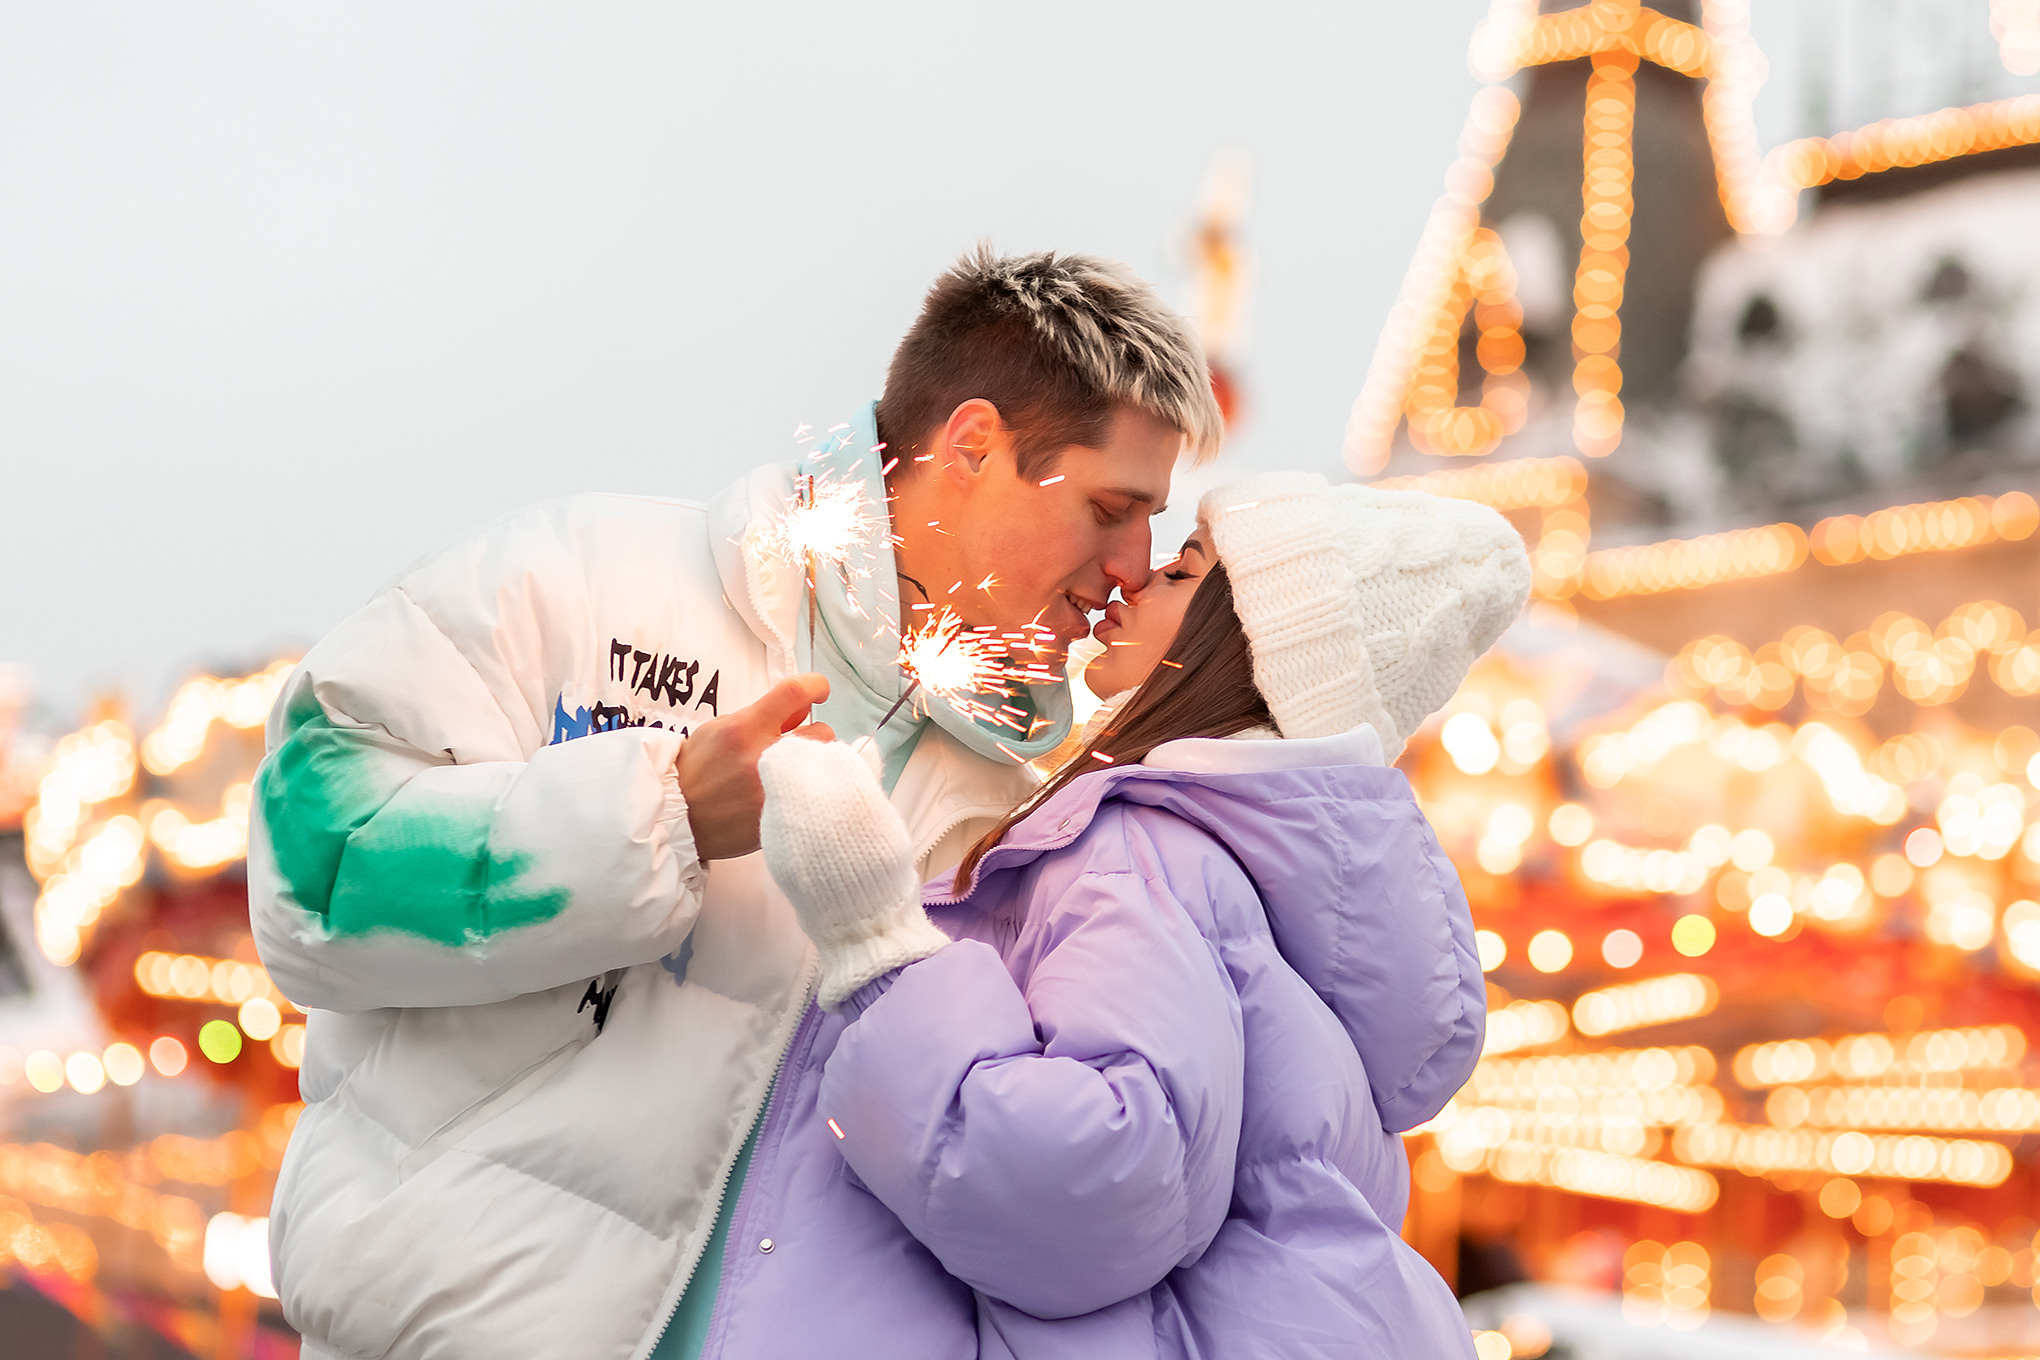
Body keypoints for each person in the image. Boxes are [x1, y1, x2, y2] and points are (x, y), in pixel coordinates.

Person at [246, 247, 1223, 1360]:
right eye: (1111, 508)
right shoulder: (586, 580)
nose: (1132, 565)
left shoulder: (1042, 804)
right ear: (972, 445)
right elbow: (311, 868)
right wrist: (658, 818)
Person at [754, 470, 1530, 1357]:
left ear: (1249, 646)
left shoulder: (1140, 848)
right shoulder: (1256, 884)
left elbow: (1098, 1190)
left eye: (1184, 569)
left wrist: (875, 940)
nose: (1136, 577)